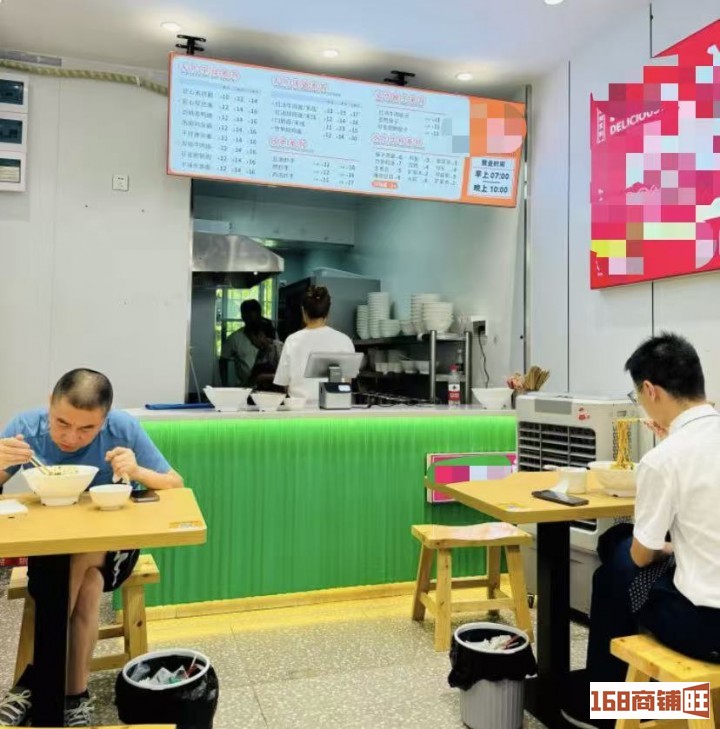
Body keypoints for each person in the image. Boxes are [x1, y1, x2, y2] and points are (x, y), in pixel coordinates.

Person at [0, 368, 183, 727]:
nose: (71, 437)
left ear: (105, 419)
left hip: (114, 549)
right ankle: (74, 694)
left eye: (87, 428)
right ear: (50, 404)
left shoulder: (122, 429)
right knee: (88, 584)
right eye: (62, 422)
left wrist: (138, 471)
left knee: (80, 557)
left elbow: (174, 484)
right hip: (50, 548)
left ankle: (35, 682)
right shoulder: (26, 428)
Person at [563, 333, 720, 729]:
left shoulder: (664, 459)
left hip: (708, 627)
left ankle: (615, 705)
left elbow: (642, 555)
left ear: (650, 390)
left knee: (616, 568)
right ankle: (626, 695)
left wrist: (667, 549)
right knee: (616, 547)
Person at [273, 285, 354, 402]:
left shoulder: (292, 340)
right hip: (335, 407)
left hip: (299, 409)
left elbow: (285, 383)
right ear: (328, 312)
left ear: (303, 311)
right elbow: (347, 382)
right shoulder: (344, 340)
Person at [219, 299, 273, 387]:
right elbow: (223, 360)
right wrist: (224, 385)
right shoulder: (235, 338)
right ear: (243, 318)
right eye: (250, 319)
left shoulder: (270, 334)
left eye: (256, 319)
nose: (253, 323)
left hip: (268, 387)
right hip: (245, 387)